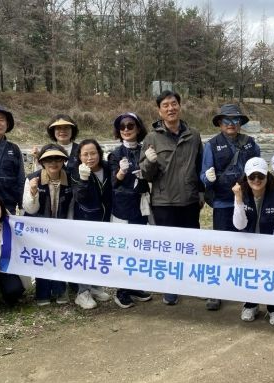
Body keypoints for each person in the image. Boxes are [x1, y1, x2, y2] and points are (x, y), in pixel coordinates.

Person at [139, 90, 204, 305]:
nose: (170, 108)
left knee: (191, 245)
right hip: (163, 201)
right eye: (165, 105)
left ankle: (192, 282)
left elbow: (200, 166)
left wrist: (201, 192)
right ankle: (170, 286)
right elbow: (146, 174)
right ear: (159, 111)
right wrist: (149, 161)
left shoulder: (194, 135)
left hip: (189, 199)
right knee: (168, 246)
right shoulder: (151, 138)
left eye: (174, 103)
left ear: (180, 106)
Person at [200, 103, 261, 311]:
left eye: (235, 120)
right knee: (221, 247)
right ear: (219, 123)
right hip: (222, 202)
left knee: (246, 246)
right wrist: (207, 178)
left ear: (240, 123)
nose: (231, 124)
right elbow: (203, 175)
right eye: (226, 120)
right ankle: (215, 291)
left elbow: (259, 170)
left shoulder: (251, 144)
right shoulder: (211, 145)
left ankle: (244, 288)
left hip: (247, 202)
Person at [232, 157, 274, 325]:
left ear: (267, 177)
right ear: (246, 178)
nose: (256, 180)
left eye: (260, 176)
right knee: (251, 275)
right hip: (248, 246)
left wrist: (272, 248)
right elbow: (240, 225)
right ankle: (250, 304)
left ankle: (273, 308)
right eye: (252, 176)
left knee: (270, 275)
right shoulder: (241, 194)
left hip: (270, 245)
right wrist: (239, 199)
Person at [108, 112, 154, 309]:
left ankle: (135, 286)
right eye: (122, 127)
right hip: (123, 207)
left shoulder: (145, 149)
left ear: (138, 128)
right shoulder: (115, 154)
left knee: (139, 247)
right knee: (125, 249)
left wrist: (150, 164)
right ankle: (122, 291)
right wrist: (120, 172)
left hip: (142, 205)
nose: (126, 129)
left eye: (130, 125)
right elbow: (112, 183)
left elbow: (153, 175)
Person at [23, 144, 72, 306]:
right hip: (39, 227)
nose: (53, 163)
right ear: (42, 162)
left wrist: (70, 226)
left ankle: (60, 290)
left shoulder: (70, 178)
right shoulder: (32, 178)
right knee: (42, 257)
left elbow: (72, 205)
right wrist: (33, 192)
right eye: (48, 159)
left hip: (62, 226)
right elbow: (29, 209)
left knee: (60, 256)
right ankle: (42, 292)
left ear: (63, 161)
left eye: (57, 159)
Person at [71, 139, 113, 309]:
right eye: (85, 154)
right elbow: (79, 197)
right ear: (79, 156)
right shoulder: (76, 171)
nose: (90, 157)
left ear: (99, 153)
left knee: (99, 254)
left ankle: (95, 287)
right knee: (85, 255)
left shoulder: (107, 167)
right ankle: (82, 292)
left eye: (93, 153)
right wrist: (83, 178)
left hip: (105, 218)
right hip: (85, 220)